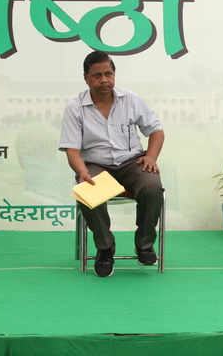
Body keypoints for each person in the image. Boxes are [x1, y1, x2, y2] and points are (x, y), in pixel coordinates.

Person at [59, 50, 165, 277]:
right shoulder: (75, 107)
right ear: (86, 78)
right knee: (88, 189)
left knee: (152, 186)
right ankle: (105, 247)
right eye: (96, 75)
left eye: (108, 74)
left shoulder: (132, 100)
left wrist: (151, 157)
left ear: (114, 75)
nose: (104, 80)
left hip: (132, 162)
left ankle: (144, 244)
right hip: (95, 165)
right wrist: (81, 171)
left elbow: (156, 131)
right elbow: (72, 149)